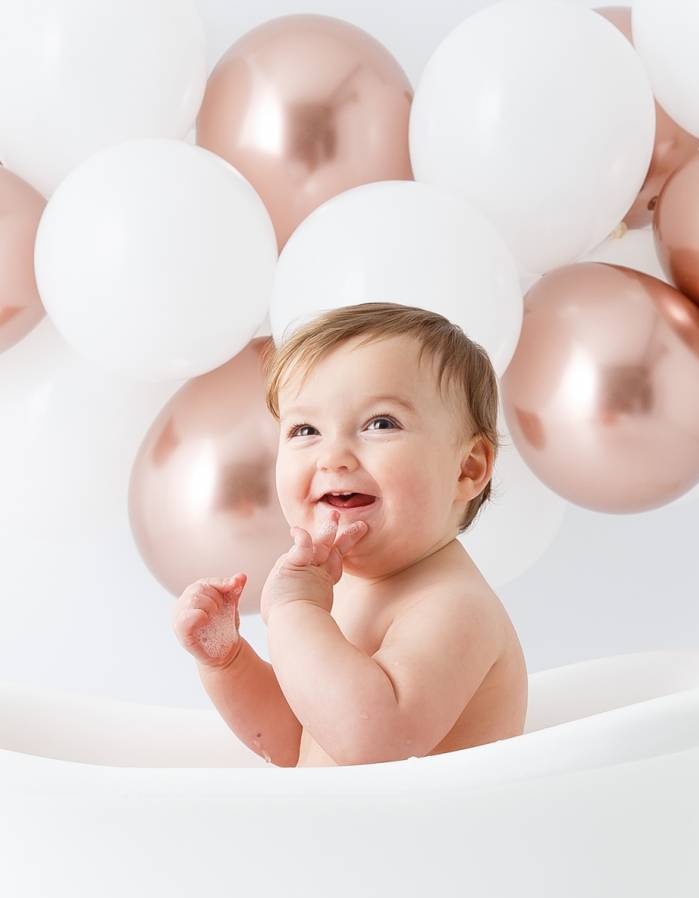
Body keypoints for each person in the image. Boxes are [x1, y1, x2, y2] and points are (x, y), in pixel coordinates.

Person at [171, 301, 527, 766]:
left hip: (425, 840)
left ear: (467, 468)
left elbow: (372, 743)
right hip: (344, 836)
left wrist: (292, 610)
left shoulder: (455, 606)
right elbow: (295, 739)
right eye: (305, 429)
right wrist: (228, 662)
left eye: (380, 424)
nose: (333, 456)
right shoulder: (338, 590)